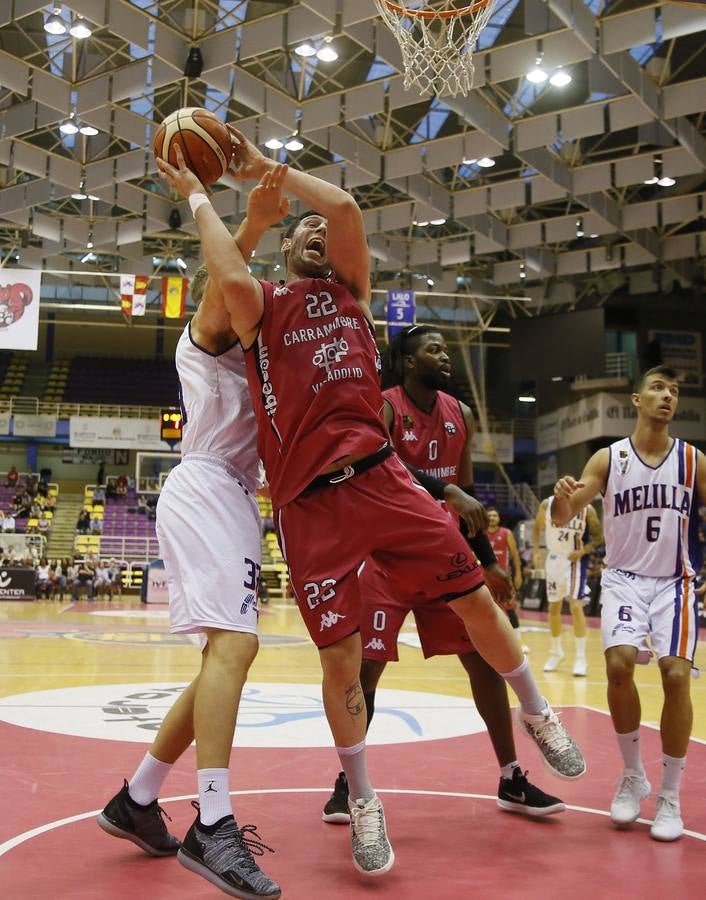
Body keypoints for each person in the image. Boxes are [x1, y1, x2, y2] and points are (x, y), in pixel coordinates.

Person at [157, 135, 585, 878]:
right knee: (343, 662)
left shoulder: (351, 291)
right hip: (309, 506)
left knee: (477, 599)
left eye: (323, 230)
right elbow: (227, 270)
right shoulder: (262, 310)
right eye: (305, 230)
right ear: (286, 248)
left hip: (383, 478)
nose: (320, 232)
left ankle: (536, 713)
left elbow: (348, 205)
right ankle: (360, 797)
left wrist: (270, 172)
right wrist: (201, 196)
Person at [98, 164, 287, 900]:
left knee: (218, 657)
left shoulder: (263, 353)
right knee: (236, 646)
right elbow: (223, 280)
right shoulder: (208, 341)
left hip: (235, 498)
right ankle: (214, 822)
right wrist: (237, 214)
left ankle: (138, 800)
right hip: (206, 485)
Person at [322, 326, 565, 824]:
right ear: (408, 362)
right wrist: (445, 492)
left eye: (446, 348)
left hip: (444, 559)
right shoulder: (384, 406)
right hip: (386, 559)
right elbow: (374, 468)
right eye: (434, 349)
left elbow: (471, 498)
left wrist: (490, 561)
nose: (445, 355)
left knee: (483, 660)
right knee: (365, 673)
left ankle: (511, 776)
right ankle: (349, 784)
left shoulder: (462, 415)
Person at [551, 365, 706, 842]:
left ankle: (670, 796)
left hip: (673, 582)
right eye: (658, 388)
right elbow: (565, 514)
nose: (667, 397)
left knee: (676, 675)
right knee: (619, 666)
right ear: (637, 400)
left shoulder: (694, 460)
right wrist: (561, 500)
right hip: (621, 579)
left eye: (674, 392)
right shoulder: (608, 458)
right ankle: (634, 774)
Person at [532, 497, 603, 676]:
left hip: (575, 561)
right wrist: (535, 552)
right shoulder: (547, 505)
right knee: (553, 608)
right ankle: (556, 652)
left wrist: (583, 551)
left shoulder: (587, 509)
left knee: (575, 606)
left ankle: (581, 658)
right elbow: (536, 527)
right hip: (554, 559)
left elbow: (599, 536)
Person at [486, 507, 529, 652]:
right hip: (484, 580)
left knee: (510, 609)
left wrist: (518, 574)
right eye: (489, 515)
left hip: (503, 579)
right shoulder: (481, 534)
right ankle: (492, 642)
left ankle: (518, 642)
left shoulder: (506, 533)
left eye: (494, 515)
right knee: (487, 611)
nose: (492, 518)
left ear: (499, 518)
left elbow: (515, 555)